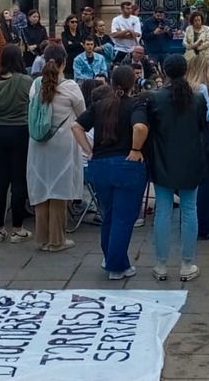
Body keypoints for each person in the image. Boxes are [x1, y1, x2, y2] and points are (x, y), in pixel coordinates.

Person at [74, 65, 148, 280]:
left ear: (112, 82)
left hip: (100, 165)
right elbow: (140, 128)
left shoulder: (100, 105)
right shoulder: (135, 105)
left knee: (109, 214)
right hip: (126, 165)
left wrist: (89, 150)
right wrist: (136, 148)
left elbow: (76, 127)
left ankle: (109, 257)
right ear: (133, 83)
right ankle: (117, 266)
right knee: (124, 218)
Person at [144, 55, 209, 280]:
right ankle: (187, 263)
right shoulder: (197, 99)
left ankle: (161, 264)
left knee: (163, 211)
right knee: (189, 210)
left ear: (165, 71)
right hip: (190, 159)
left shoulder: (155, 98)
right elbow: (202, 127)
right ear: (185, 70)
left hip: (163, 159)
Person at [27, 44, 85, 253]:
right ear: (65, 62)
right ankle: (57, 239)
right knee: (59, 189)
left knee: (42, 187)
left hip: (38, 142)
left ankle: (42, 238)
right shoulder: (71, 87)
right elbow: (82, 114)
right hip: (62, 143)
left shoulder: (35, 85)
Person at [0, 45, 33, 243]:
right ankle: (17, 228)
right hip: (20, 129)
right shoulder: (26, 81)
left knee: (0, 180)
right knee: (19, 180)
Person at [183, 11, 209, 88]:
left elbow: (208, 42)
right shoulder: (188, 29)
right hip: (191, 55)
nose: (197, 22)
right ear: (192, 21)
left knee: (203, 74)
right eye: (195, 20)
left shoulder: (207, 29)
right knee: (191, 74)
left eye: (199, 20)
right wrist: (192, 46)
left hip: (203, 54)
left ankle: (204, 88)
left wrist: (198, 47)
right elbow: (184, 42)